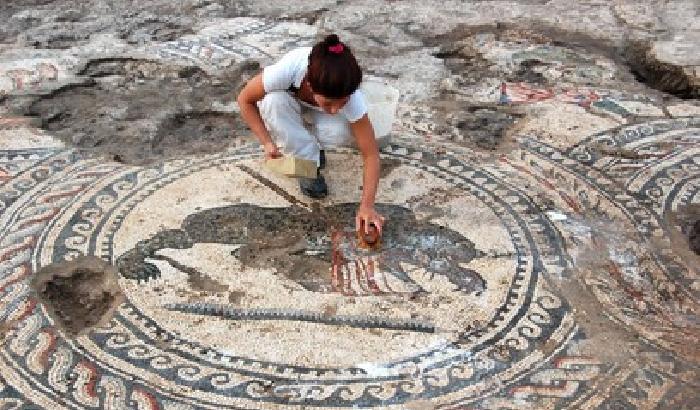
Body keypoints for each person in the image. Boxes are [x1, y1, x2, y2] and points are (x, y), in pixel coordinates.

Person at [237, 34, 385, 235]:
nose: (335, 110)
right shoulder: (285, 72)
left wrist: (367, 206)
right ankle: (308, 164)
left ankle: (316, 146)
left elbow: (371, 154)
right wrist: (267, 142)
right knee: (273, 102)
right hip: (289, 101)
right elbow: (244, 99)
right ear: (310, 85)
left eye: (342, 103)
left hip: (316, 110)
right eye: (329, 103)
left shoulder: (350, 95)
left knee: (336, 131)